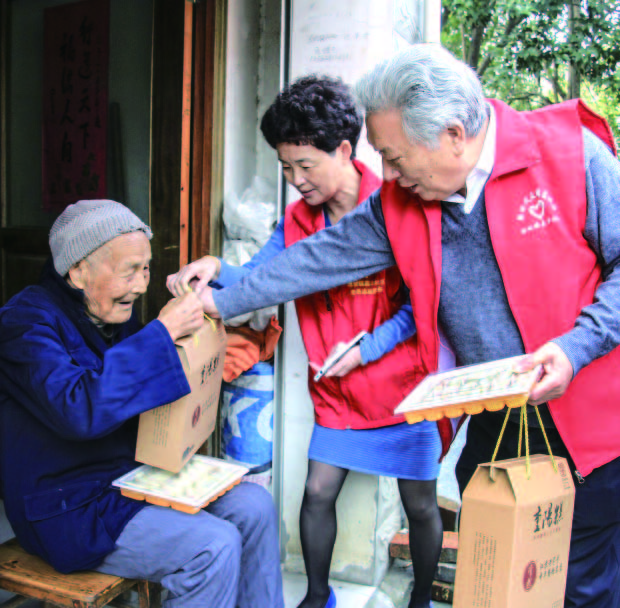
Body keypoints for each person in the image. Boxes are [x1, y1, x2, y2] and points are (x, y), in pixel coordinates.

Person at [171, 45, 620, 608]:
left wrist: (576, 347)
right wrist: (223, 299)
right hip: (497, 425)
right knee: (496, 580)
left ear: (454, 135)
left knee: (578, 584)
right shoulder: (399, 203)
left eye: (394, 156)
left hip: (590, 426)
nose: (386, 174)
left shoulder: (569, 157)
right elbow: (315, 258)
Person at [168, 76, 454, 608]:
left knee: (419, 502)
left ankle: (419, 600)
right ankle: (317, 596)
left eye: (305, 165)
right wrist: (215, 268)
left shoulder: (397, 204)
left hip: (403, 384)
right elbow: (262, 275)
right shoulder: (298, 220)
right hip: (338, 391)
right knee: (318, 491)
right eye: (284, 167)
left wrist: (367, 349)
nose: (295, 180)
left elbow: (424, 304)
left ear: (344, 150)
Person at [0, 199, 284, 608]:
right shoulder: (24, 323)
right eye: (128, 270)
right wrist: (162, 334)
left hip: (128, 478)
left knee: (253, 504)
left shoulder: (109, 310)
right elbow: (79, 411)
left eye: (146, 268)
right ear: (78, 271)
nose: (141, 284)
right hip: (67, 505)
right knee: (212, 546)